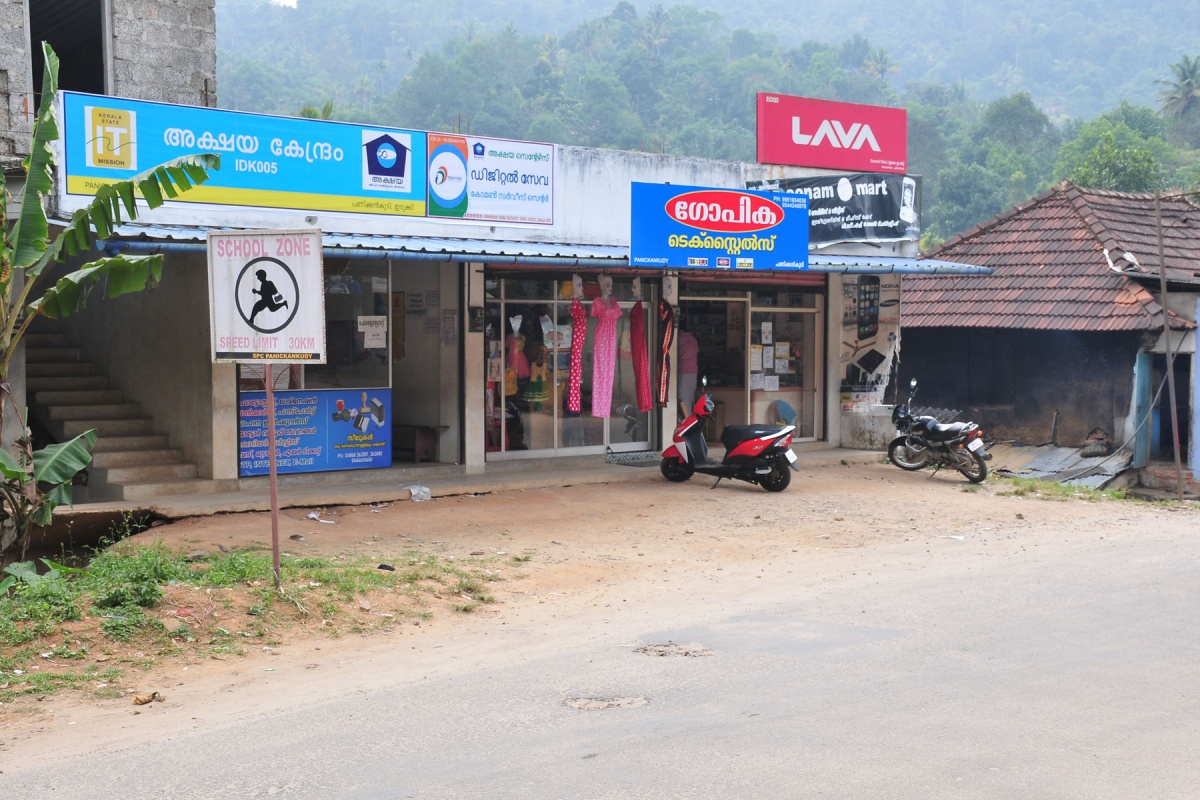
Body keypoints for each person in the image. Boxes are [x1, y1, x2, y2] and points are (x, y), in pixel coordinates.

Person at [677, 328, 699, 416]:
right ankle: (689, 420)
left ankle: (687, 422)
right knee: (689, 399)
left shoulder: (679, 340)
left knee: (683, 400)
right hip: (693, 372)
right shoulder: (693, 339)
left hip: (683, 371)